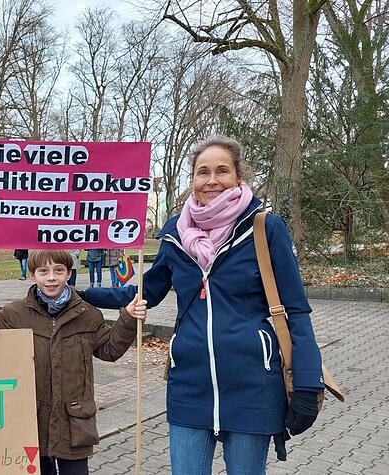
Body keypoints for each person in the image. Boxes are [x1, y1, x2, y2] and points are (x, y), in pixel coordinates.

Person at [81, 135, 324, 473]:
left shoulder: (265, 228)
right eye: (203, 172)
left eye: (222, 171)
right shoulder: (175, 235)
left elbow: (296, 309)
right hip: (189, 388)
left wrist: (308, 382)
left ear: (238, 176)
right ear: (193, 179)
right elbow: (144, 293)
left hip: (253, 387)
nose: (212, 180)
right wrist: (78, 293)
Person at [0, 250, 147, 475]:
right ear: (32, 275)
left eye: (58, 270)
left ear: (68, 273)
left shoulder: (88, 314)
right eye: (43, 271)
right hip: (32, 421)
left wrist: (128, 318)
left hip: (74, 423)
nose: (51, 277)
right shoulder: (14, 313)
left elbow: (110, 350)